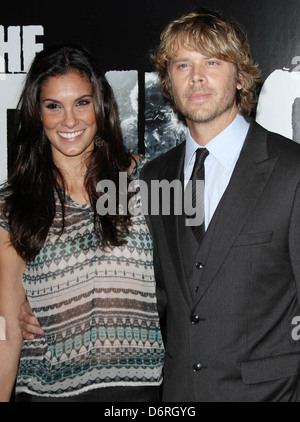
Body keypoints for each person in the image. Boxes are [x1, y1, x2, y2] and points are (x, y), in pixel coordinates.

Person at [139, 9, 300, 402]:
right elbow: (152, 290)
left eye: (212, 61)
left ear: (241, 76)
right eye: (182, 64)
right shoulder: (153, 178)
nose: (196, 76)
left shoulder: (292, 171)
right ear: (169, 83)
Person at [0, 44, 164, 402]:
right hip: (45, 390)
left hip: (134, 394)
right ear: (36, 112)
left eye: (82, 103)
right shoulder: (13, 205)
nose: (69, 121)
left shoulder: (146, 182)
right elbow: (7, 328)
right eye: (53, 106)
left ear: (101, 105)